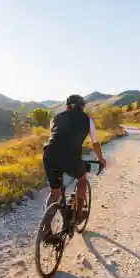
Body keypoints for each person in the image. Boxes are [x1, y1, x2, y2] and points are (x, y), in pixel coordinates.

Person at [43, 94, 106, 223]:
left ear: (67, 107)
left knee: (55, 191)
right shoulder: (87, 119)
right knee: (82, 177)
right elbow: (95, 143)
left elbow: (56, 136)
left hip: (49, 153)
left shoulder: (56, 118)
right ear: (82, 107)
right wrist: (101, 159)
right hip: (70, 156)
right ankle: (78, 216)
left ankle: (46, 228)